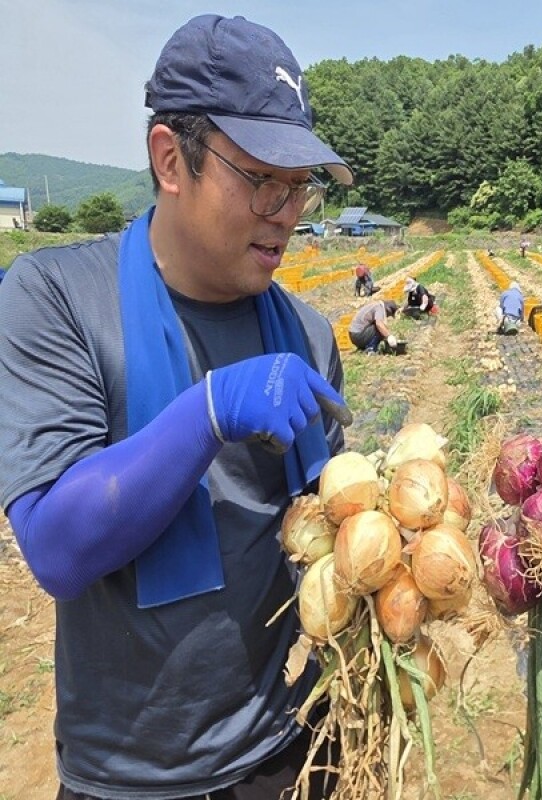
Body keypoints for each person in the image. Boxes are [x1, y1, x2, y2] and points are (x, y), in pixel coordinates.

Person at [0, 15, 356, 800]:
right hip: (127, 779)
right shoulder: (58, 298)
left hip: (285, 751)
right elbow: (57, 550)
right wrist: (208, 411)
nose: (288, 210)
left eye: (302, 185)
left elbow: (324, 537)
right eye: (263, 178)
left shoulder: (306, 332)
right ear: (171, 159)